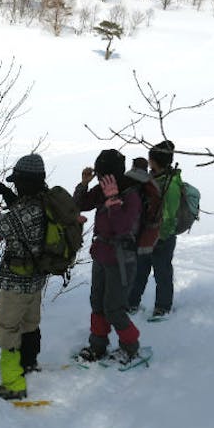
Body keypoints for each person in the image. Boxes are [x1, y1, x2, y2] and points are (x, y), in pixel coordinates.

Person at [0, 153, 49, 400]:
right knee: (29, 324)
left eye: (16, 182)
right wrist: (5, 192)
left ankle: (13, 384)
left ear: (24, 182)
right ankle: (28, 365)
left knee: (7, 330)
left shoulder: (23, 213)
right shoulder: (46, 202)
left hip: (16, 282)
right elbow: (22, 217)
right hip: (37, 279)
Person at [73, 149, 142, 363]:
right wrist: (84, 183)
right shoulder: (103, 188)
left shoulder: (131, 194)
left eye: (104, 174)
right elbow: (80, 204)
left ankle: (130, 347)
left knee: (114, 308)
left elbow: (123, 228)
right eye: (100, 175)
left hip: (122, 259)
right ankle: (98, 345)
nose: (102, 179)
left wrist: (113, 200)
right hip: (101, 255)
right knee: (97, 303)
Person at [128, 140, 182, 321]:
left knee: (162, 273)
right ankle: (131, 303)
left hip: (162, 238)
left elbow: (170, 216)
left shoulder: (171, 184)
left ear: (153, 160)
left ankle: (162, 308)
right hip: (147, 234)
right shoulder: (151, 179)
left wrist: (161, 236)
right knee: (140, 271)